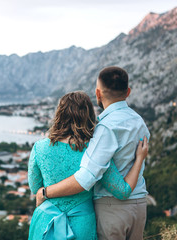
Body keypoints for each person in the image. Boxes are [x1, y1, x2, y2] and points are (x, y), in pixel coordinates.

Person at [35, 67, 150, 240]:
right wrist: (140, 160)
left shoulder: (104, 127)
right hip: (139, 204)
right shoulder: (139, 121)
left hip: (112, 207)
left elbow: (85, 178)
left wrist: (45, 192)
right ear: (128, 92)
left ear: (98, 93)